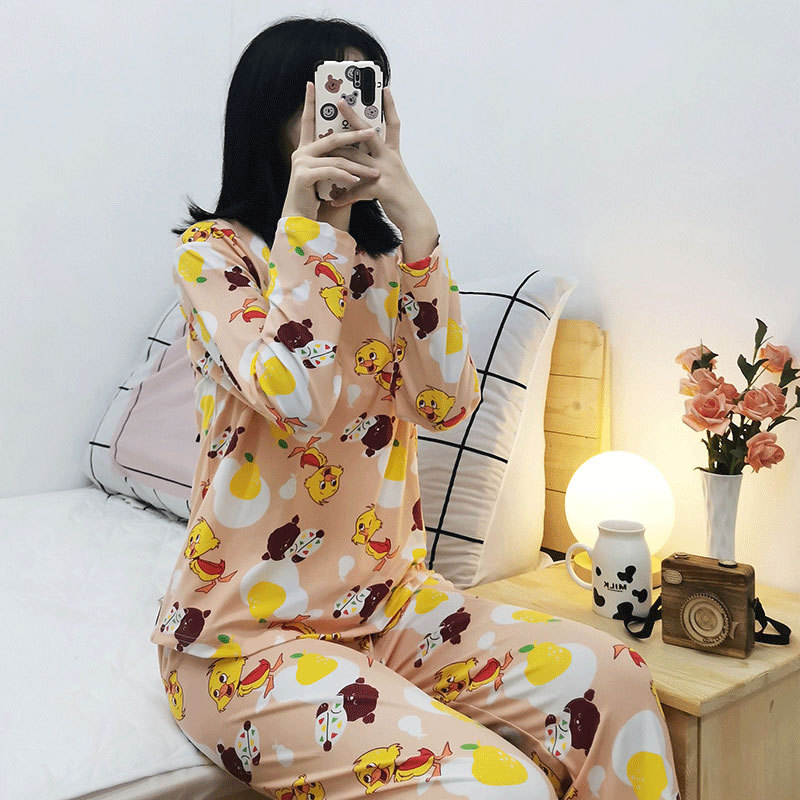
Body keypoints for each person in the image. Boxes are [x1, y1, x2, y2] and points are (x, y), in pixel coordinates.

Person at [150, 15, 680, 800]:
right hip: (239, 641)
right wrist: (312, 224)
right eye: (329, 93)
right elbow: (298, 396)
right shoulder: (215, 257)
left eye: (368, 91)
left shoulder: (390, 262)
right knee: (502, 785)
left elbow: (445, 402)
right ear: (274, 112)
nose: (352, 115)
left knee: (618, 678)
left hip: (390, 606)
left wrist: (421, 237)